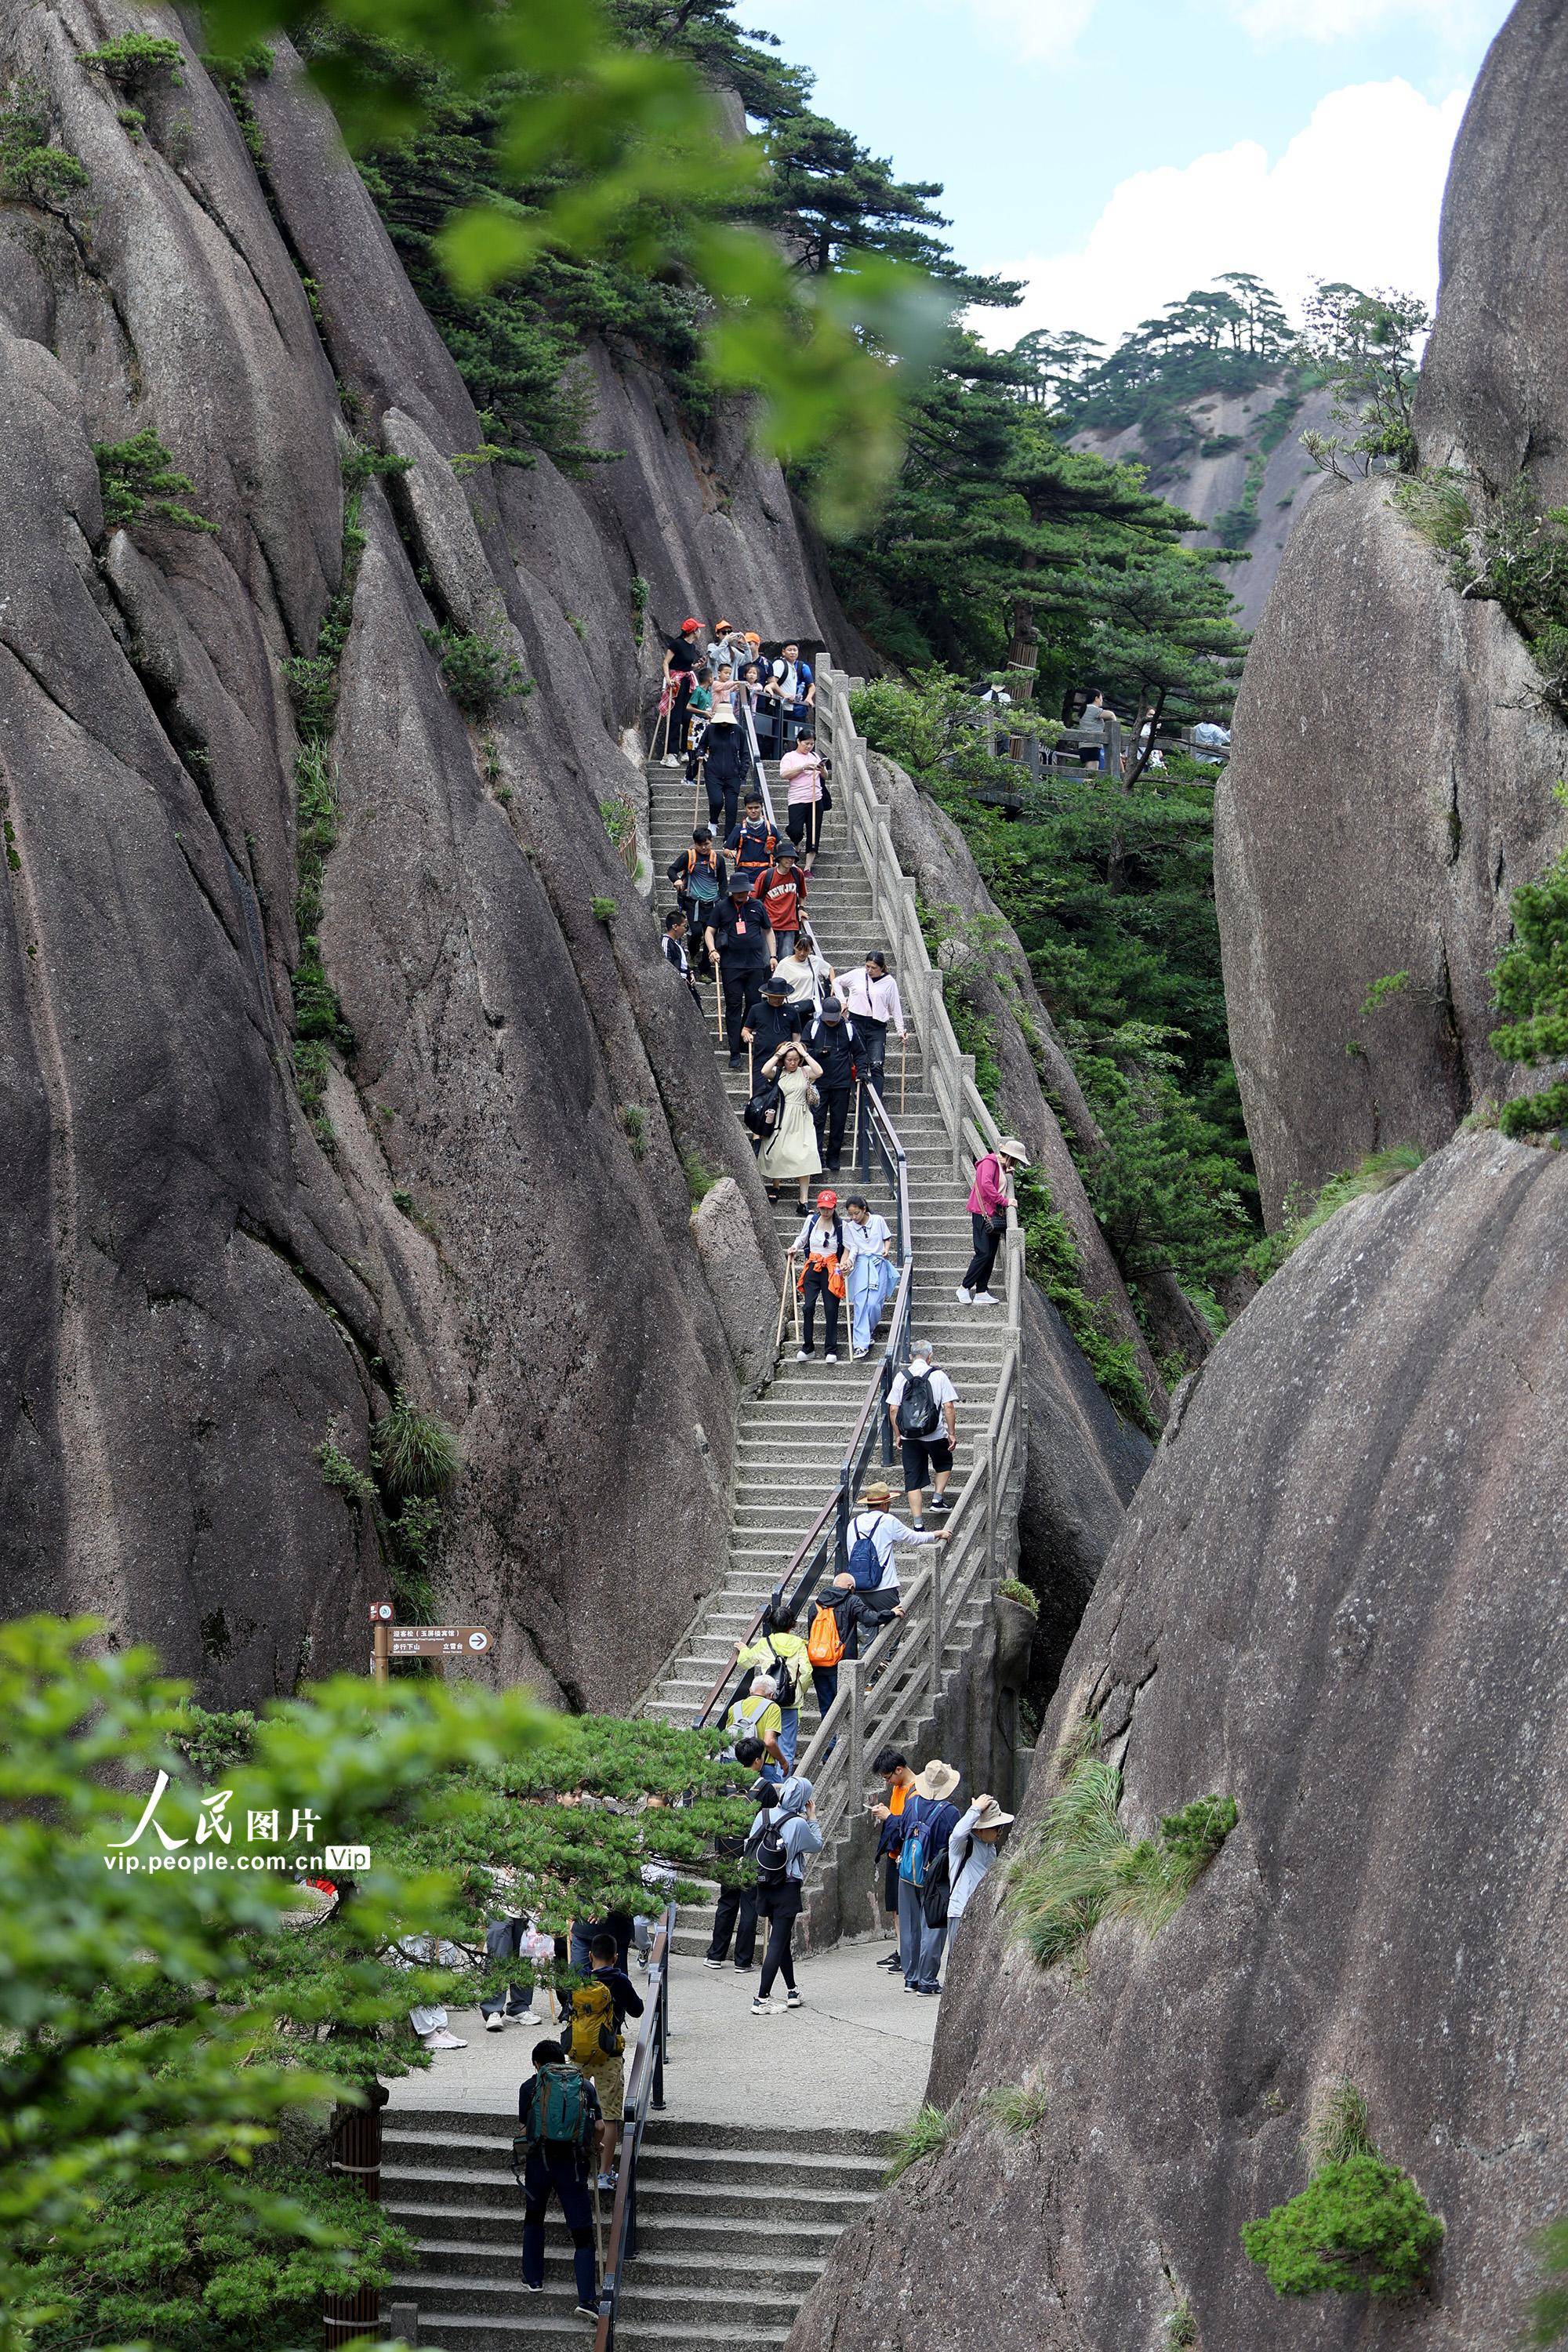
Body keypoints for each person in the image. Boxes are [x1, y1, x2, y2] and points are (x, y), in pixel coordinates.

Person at [517, 2038, 602, 2319]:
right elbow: (599, 2126)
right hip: (572, 2165)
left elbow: (524, 2126)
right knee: (582, 2234)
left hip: (539, 2163)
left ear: (537, 2064)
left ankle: (533, 2278)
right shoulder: (585, 2086)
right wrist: (593, 2147)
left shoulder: (530, 2087)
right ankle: (587, 2300)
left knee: (534, 2216)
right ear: (563, 2060)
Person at [566, 1933, 645, 2189]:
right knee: (610, 2116)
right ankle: (604, 2174)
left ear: (590, 1956)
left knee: (574, 2110)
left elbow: (566, 2004)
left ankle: (572, 2168)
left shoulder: (579, 1977)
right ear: (616, 1957)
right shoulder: (618, 1978)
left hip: (578, 2053)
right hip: (609, 2055)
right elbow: (638, 2009)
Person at [749, 1776, 823, 2015]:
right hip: (786, 1887)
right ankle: (761, 1998)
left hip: (763, 1883)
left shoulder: (764, 1814)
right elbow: (817, 1845)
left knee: (780, 1941)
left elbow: (751, 1844)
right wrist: (812, 1818)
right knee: (778, 1942)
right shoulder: (798, 1824)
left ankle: (792, 1990)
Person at [895, 1760, 963, 1995]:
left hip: (906, 1871)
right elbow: (955, 1844)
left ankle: (910, 1978)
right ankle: (927, 1980)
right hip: (935, 1874)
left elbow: (902, 1832)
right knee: (933, 1925)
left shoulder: (911, 1802)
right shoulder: (950, 1812)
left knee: (909, 1925)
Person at [804, 1569, 902, 1723]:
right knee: (844, 1707)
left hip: (818, 1662)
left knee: (826, 1707)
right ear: (851, 1587)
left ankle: (829, 1744)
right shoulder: (852, 1601)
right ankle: (841, 1744)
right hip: (842, 1663)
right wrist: (891, 1613)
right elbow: (869, 1619)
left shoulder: (815, 1605)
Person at [705, 1740, 766, 1970]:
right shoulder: (765, 1788)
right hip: (751, 1855)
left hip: (727, 1852)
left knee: (727, 1903)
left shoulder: (725, 1786)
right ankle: (743, 1961)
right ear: (758, 1760)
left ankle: (715, 1955)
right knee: (749, 1906)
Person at [886, 1344, 960, 1527]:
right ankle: (937, 1499)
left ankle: (918, 1525)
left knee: (913, 1478)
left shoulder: (901, 1377)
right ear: (930, 1357)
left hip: (910, 1436)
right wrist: (951, 1433)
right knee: (944, 1463)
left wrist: (898, 1434)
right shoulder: (938, 1375)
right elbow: (948, 1407)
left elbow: (893, 1409)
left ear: (911, 1357)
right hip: (934, 1433)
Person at [706, 876, 775, 1065]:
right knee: (734, 1006)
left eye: (746, 891)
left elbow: (768, 930)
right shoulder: (722, 907)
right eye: (739, 891)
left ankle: (743, 1038)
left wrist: (773, 955)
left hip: (754, 964)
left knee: (754, 1004)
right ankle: (734, 1050)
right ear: (732, 891)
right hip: (731, 965)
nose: (743, 894)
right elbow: (709, 931)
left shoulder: (757, 906)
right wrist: (712, 950)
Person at [735, 1600, 811, 1767]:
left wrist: (743, 1649)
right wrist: (799, 1691)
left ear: (771, 1625)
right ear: (792, 1626)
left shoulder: (764, 1643)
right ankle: (783, 1786)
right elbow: (807, 1672)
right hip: (790, 1701)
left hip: (768, 1700)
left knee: (765, 1741)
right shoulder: (798, 1644)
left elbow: (746, 1662)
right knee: (788, 1747)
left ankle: (764, 1780)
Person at [843, 1479, 949, 1595]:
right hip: (884, 1587)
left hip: (858, 1588)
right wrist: (937, 1534)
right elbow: (914, 1538)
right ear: (884, 1504)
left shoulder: (853, 1523)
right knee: (895, 1613)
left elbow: (850, 1550)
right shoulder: (887, 1520)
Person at [959, 1135, 1029, 1305]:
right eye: (1016, 1161)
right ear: (1010, 1157)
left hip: (994, 1216)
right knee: (982, 1253)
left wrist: (1006, 1171)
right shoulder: (989, 1162)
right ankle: (964, 1288)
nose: (1017, 1164)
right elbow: (986, 1185)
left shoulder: (1000, 1166)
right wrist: (1005, 1201)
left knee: (990, 1255)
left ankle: (982, 1290)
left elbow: (997, 1181)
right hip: (982, 1214)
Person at [757, 1043, 823, 1207]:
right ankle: (775, 1186)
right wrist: (778, 1054)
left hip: (802, 1117)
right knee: (778, 1151)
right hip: (782, 1115)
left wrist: (804, 1054)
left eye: (795, 1059)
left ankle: (804, 1200)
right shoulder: (778, 1073)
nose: (792, 1063)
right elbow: (764, 1071)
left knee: (806, 1155)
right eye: (789, 1060)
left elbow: (820, 1071)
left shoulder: (805, 1072)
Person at [869, 1750, 917, 1969]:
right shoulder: (898, 1788)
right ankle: (901, 1950)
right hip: (894, 1854)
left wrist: (889, 1817)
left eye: (888, 1778)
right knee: (896, 1908)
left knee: (906, 1909)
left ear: (899, 1770)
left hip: (908, 1857)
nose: (888, 1783)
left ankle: (908, 1954)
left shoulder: (916, 1790)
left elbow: (911, 1825)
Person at [800, 999, 861, 1172]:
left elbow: (859, 1053)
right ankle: (817, 1156)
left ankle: (833, 1156)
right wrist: (817, 1053)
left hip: (841, 1083)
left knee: (838, 1121)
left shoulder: (849, 1028)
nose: (830, 1022)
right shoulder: (813, 1026)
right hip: (818, 1082)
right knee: (816, 1121)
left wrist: (862, 1071)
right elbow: (803, 1049)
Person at [786, 1186, 844, 1361]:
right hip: (813, 1266)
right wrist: (795, 1247)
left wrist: (847, 1262)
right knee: (808, 1307)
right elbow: (802, 1238)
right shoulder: (811, 1220)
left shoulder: (842, 1225)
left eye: (828, 1207)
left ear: (834, 1207)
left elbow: (850, 1246)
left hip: (832, 1269)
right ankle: (808, 1347)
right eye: (822, 1207)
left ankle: (831, 1350)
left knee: (831, 1309)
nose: (825, 1211)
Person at [839, 952, 906, 1096]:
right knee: (857, 1062)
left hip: (877, 1026)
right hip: (857, 1022)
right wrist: (842, 1000)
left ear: (881, 968)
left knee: (876, 1064)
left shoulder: (889, 982)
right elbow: (837, 982)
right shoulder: (858, 974)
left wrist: (900, 1030)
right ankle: (857, 1095)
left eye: (874, 968)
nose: (869, 970)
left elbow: (895, 1007)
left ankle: (876, 1103)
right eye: (867, 966)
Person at [839, 1195, 895, 1358]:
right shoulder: (849, 1227)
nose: (854, 1217)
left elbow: (887, 1238)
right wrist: (845, 1264)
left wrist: (886, 1249)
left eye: (856, 1213)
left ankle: (868, 1332)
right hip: (860, 1264)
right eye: (851, 1214)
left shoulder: (877, 1220)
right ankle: (861, 1343)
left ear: (864, 1209)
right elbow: (848, 1249)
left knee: (873, 1304)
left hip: (878, 1263)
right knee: (860, 1303)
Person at [947, 1792, 1015, 1923]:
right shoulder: (963, 1844)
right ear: (980, 1830)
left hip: (982, 1912)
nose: (1000, 1832)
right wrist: (975, 1809)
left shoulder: (990, 1846)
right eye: (996, 1828)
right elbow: (957, 1835)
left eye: (1001, 1827)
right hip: (960, 1912)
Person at [668, 829, 726, 976]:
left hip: (713, 904)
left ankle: (705, 971)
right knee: (697, 932)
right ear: (695, 844)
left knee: (711, 936)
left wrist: (723, 901)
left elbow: (723, 882)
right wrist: (677, 880)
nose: (704, 847)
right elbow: (672, 870)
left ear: (711, 842)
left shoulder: (718, 859)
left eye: (707, 844)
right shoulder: (689, 856)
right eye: (700, 845)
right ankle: (693, 953)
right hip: (694, 903)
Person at [703, 665, 749, 838]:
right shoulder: (711, 729)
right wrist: (701, 755)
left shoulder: (737, 731)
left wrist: (743, 771)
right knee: (716, 801)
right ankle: (713, 821)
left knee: (731, 806)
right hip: (713, 772)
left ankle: (729, 837)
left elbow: (744, 752)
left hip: (733, 773)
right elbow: (701, 746)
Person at [481, 1911, 545, 2032]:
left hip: (526, 1911)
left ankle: (519, 2007)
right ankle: (492, 2009)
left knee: (523, 1959)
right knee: (497, 1958)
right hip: (499, 1906)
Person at [725, 1672, 789, 1780]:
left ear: (751, 1690)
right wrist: (783, 1762)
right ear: (772, 1695)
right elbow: (769, 1742)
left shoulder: (734, 1707)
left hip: (735, 1764)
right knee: (774, 1795)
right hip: (763, 1767)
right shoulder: (772, 1708)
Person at [751, 844, 808, 962]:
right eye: (787, 857)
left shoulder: (797, 874)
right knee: (767, 961)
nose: (790, 860)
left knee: (786, 960)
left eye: (793, 858)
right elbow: (754, 898)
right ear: (779, 858)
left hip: (790, 925)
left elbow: (802, 894)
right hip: (769, 925)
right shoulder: (767, 875)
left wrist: (801, 908)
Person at [779, 733, 826, 869]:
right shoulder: (790, 757)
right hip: (797, 799)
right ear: (798, 741)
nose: (809, 746)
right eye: (807, 743)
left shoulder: (815, 757)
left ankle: (807, 867)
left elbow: (826, 776)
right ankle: (797, 844)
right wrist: (802, 768)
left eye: (812, 744)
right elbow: (784, 774)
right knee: (795, 829)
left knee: (814, 832)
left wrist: (822, 769)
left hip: (815, 799)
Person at [660, 618, 705, 760]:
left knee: (687, 716)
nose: (700, 632)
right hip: (677, 682)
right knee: (676, 716)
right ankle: (672, 753)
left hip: (688, 681)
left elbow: (687, 666)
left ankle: (684, 750)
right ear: (693, 631)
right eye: (698, 629)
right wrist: (668, 679)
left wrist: (697, 666)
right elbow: (666, 663)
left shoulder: (692, 647)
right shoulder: (677, 644)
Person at [742, 975, 803, 1073]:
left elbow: (796, 1035)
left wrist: (796, 1052)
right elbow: (745, 1030)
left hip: (784, 1059)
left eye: (781, 997)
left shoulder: (792, 1011)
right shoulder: (756, 1009)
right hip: (762, 1056)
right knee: (760, 1086)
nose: (778, 1000)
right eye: (775, 997)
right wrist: (747, 1035)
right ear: (768, 995)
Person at [771, 926, 833, 1014]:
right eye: (799, 949)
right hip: (791, 1006)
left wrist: (834, 984)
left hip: (809, 1007)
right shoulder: (784, 964)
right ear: (794, 947)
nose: (802, 953)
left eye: (806, 950)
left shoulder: (814, 961)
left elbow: (829, 968)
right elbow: (775, 985)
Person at [725, 793, 779, 888]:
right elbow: (726, 850)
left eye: (756, 807)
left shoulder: (770, 828)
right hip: (744, 874)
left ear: (761, 807)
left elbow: (779, 848)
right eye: (750, 808)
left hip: (765, 873)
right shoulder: (739, 828)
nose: (753, 811)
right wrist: (730, 853)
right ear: (745, 808)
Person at [770, 643, 815, 746]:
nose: (793, 652)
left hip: (798, 708)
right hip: (782, 705)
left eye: (795, 650)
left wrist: (809, 698)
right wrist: (783, 695)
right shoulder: (780, 664)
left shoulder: (802, 667)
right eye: (789, 650)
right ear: (783, 651)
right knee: (778, 733)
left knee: (798, 735)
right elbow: (773, 682)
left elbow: (811, 685)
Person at [661, 908, 700, 1004]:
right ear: (675, 926)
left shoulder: (677, 943)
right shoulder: (666, 942)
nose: (686, 930)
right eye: (685, 927)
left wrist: (690, 973)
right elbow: (666, 965)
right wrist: (682, 977)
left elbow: (682, 964)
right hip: (677, 984)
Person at [1076, 689, 1113, 773]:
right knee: (1092, 773)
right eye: (1101, 698)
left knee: (1090, 772)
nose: (1102, 701)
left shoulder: (1086, 709)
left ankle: (1086, 786)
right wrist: (1116, 727)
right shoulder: (1092, 709)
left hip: (1085, 745)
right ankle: (1087, 787)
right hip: (1091, 745)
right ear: (1096, 698)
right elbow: (1110, 715)